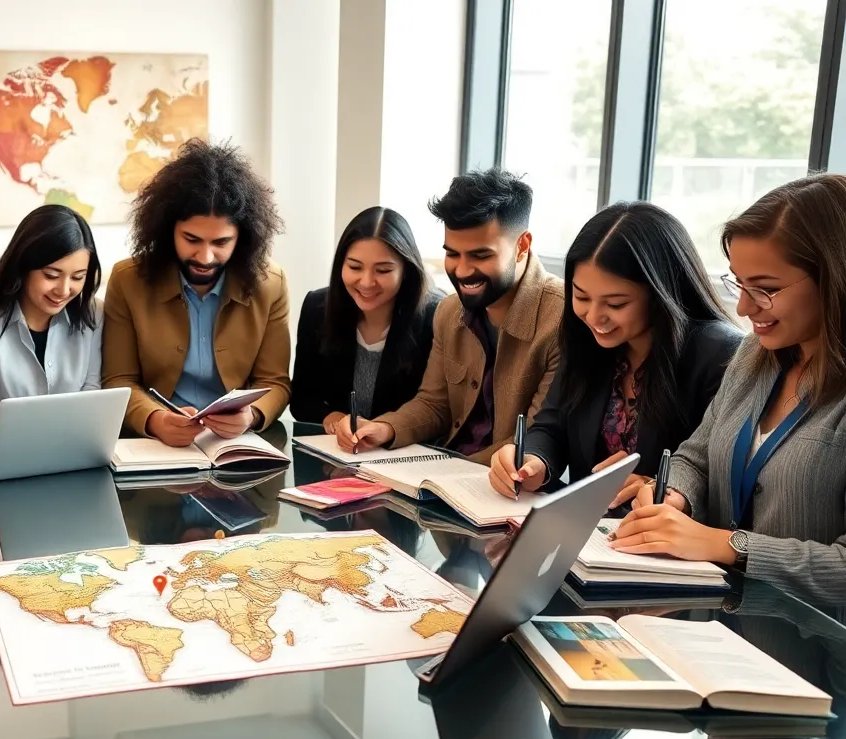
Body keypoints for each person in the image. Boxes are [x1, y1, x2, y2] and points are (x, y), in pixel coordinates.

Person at [614, 174, 846, 606]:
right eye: (739, 283)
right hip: (723, 623)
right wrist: (675, 494)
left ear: (835, 277)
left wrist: (726, 545)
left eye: (766, 289)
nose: (743, 307)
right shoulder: (753, 356)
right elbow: (696, 457)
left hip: (816, 657)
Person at [488, 202, 742, 506]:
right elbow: (551, 427)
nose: (594, 316)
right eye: (581, 296)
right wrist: (532, 461)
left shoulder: (718, 354)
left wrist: (659, 486)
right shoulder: (584, 337)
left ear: (662, 294)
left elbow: (719, 474)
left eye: (616, 304)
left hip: (661, 536)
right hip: (589, 530)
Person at [346, 169, 564, 465]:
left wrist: (441, 473)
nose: (462, 271)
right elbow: (434, 405)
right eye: (453, 254)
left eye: (480, 256)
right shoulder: (449, 312)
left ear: (522, 246)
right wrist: (384, 428)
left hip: (499, 487)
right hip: (444, 475)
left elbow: (539, 437)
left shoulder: (562, 318)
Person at [101, 138, 290, 447]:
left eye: (221, 242)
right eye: (191, 239)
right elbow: (118, 380)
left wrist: (251, 415)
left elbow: (275, 383)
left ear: (242, 239)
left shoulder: (271, 283)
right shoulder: (127, 280)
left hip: (234, 446)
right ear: (167, 229)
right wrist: (155, 419)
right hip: (155, 444)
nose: (205, 257)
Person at [291, 206, 441, 437]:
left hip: (404, 455)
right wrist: (332, 417)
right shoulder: (317, 306)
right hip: (337, 454)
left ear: (406, 270)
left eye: (383, 270)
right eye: (354, 267)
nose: (367, 282)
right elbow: (302, 399)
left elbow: (438, 411)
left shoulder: (436, 316)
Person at [0, 204, 102, 429]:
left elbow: (92, 389)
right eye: (51, 275)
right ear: (23, 266)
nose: (64, 290)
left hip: (73, 447)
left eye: (77, 277)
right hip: (4, 450)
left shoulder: (94, 314)